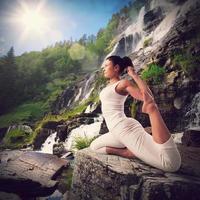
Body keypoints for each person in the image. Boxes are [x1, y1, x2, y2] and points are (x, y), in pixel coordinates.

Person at [89, 55, 181, 172]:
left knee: (170, 164)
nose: (104, 68)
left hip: (123, 128)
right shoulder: (109, 86)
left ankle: (152, 112)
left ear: (116, 68)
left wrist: (134, 75)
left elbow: (147, 97)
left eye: (107, 65)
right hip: (117, 131)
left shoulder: (122, 83)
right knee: (94, 147)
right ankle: (127, 151)